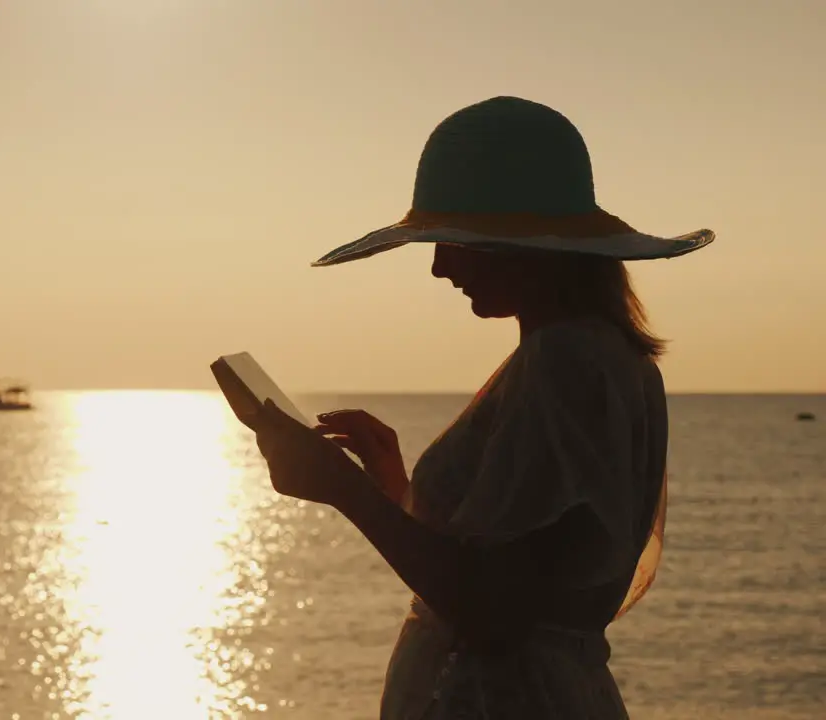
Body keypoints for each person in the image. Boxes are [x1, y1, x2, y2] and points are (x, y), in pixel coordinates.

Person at [252, 96, 714, 719]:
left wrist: (343, 491)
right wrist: (393, 487)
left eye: (458, 242)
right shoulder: (592, 359)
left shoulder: (568, 362)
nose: (440, 267)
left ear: (524, 247)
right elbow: (511, 568)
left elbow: (491, 614)